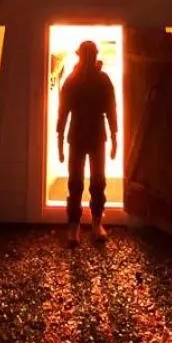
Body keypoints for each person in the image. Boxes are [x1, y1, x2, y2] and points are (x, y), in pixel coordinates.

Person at [56, 39, 118, 246]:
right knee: (75, 182)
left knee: (98, 182)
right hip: (77, 135)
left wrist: (115, 135)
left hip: (96, 135)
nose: (89, 58)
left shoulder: (103, 80)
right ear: (81, 56)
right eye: (86, 54)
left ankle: (96, 223)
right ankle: (74, 226)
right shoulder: (72, 81)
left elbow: (111, 109)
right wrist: (59, 137)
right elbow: (63, 111)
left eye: (91, 54)